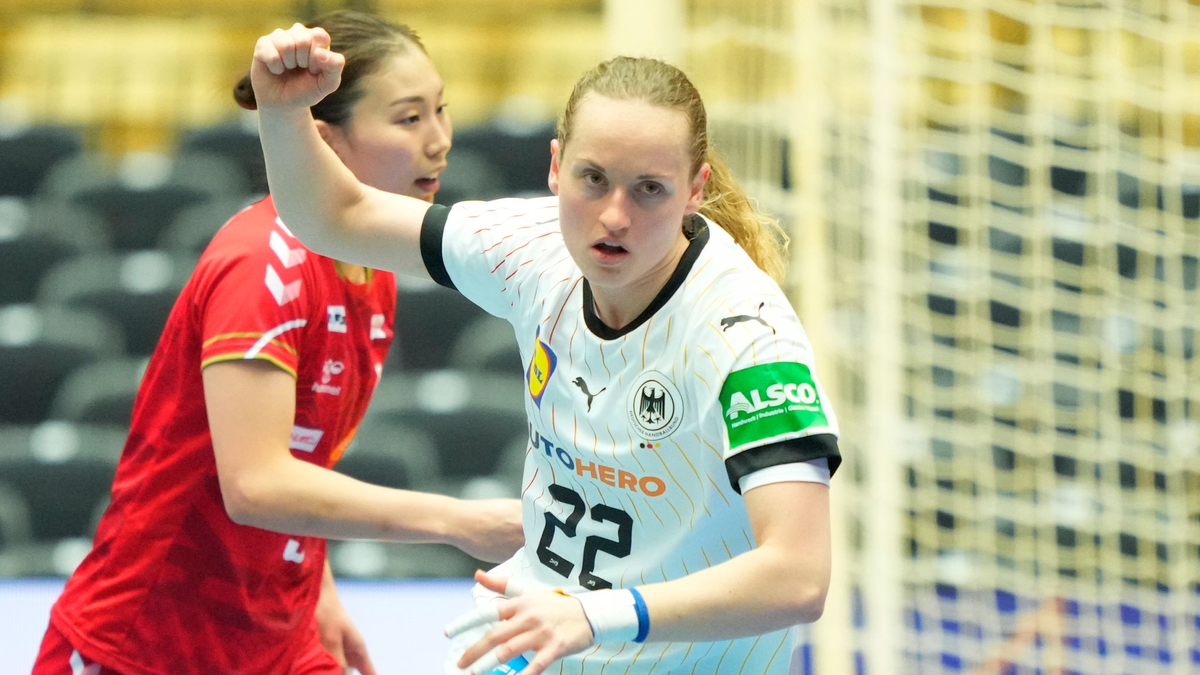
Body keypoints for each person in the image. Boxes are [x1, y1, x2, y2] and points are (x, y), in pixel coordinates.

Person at [249, 23, 842, 675]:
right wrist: (282, 114)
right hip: (541, 641)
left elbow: (799, 575)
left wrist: (597, 612)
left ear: (694, 189)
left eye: (649, 189)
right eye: (593, 179)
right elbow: (337, 217)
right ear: (556, 167)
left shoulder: (747, 336)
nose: (614, 215)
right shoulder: (531, 248)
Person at [31, 11, 522, 675]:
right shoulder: (263, 266)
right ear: (323, 140)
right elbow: (256, 483)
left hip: (274, 634)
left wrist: (316, 589)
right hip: (146, 646)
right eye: (408, 119)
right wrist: (459, 520)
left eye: (441, 111)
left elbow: (305, 453)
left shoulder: (373, 265)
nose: (439, 142)